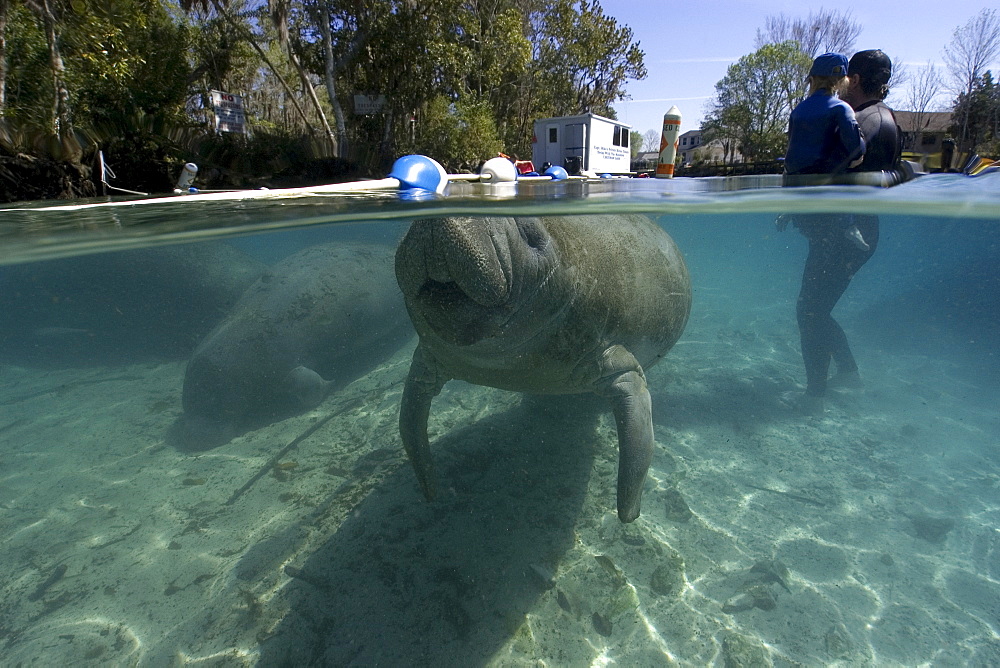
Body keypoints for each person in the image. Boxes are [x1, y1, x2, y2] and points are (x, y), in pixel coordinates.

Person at [778, 49, 902, 414]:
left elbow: (829, 169)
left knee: (810, 310)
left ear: (855, 80)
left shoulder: (867, 119)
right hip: (844, 233)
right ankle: (847, 374)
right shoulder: (875, 117)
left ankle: (816, 394)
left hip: (845, 236)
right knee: (814, 309)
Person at [783, 52, 868, 250]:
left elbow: (791, 153)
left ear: (811, 80)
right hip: (829, 185)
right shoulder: (841, 108)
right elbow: (856, 148)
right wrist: (857, 156)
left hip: (797, 187)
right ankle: (850, 226)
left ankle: (787, 212)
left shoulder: (798, 110)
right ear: (842, 81)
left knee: (814, 237)